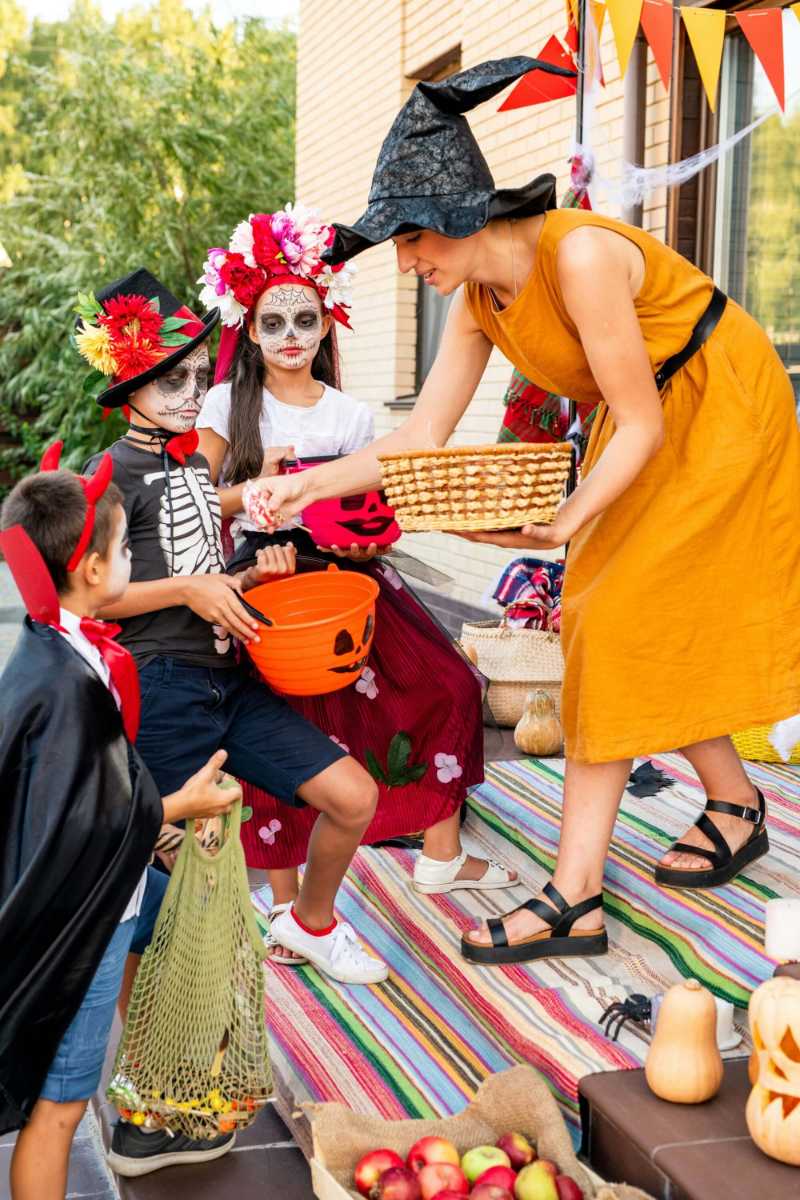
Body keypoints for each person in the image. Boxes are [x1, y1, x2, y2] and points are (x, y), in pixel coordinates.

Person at [245, 56, 800, 965]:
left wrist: (566, 522)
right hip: (645, 421)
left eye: (414, 240)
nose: (408, 262)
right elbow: (420, 434)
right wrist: (309, 484)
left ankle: (577, 895)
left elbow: (648, 419)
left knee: (609, 615)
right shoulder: (477, 302)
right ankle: (736, 808)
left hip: (719, 406)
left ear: (463, 217)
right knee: (620, 618)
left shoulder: (576, 256)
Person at [195, 205, 515, 960]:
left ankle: (440, 852)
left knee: (446, 686)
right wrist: (258, 496)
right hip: (262, 589)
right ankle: (285, 907)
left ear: (325, 323)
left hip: (349, 583)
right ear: (249, 327)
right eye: (273, 324)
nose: (292, 338)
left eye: (305, 319)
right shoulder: (225, 406)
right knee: (285, 737)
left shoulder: (349, 412)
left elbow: (370, 508)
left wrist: (364, 535)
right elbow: (199, 501)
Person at [76, 271, 388, 1004]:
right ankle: (136, 1063)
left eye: (193, 376)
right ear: (128, 391)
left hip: (231, 681)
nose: (190, 393)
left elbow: (206, 571)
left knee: (353, 796)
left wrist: (251, 578)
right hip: (160, 691)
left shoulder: (189, 464)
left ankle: (309, 924)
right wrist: (188, 590)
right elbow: (90, 594)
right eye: (168, 381)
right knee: (166, 894)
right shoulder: (110, 473)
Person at [0, 457, 242, 1198]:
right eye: (128, 551)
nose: (136, 562)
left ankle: (160, 1097)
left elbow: (86, 790)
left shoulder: (58, 651)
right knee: (60, 1106)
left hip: (114, 896)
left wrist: (157, 822)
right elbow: (85, 821)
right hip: (88, 919)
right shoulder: (68, 683)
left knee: (176, 922)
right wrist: (179, 808)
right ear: (96, 566)